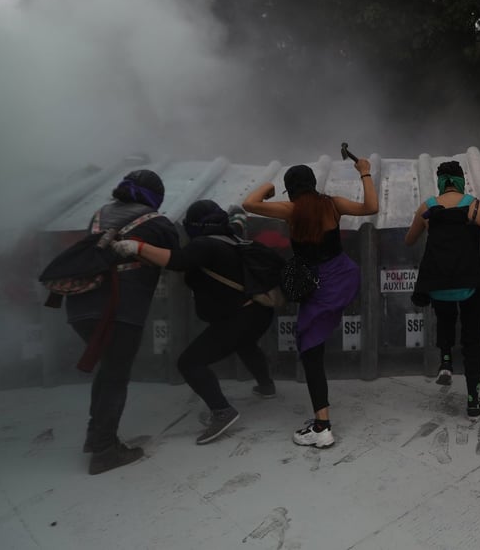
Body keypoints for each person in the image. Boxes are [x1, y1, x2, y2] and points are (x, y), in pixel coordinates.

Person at [112, 199, 277, 446]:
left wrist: (136, 247)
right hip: (259, 313)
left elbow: (177, 261)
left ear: (196, 225)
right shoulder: (232, 238)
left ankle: (222, 411)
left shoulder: (205, 244)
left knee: (190, 363)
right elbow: (237, 222)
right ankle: (267, 387)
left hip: (238, 318)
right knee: (245, 343)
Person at [242, 159, 378, 447]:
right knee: (312, 344)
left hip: (317, 286)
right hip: (343, 276)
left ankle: (322, 426)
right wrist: (365, 172)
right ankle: (321, 422)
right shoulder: (332, 204)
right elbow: (371, 207)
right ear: (314, 184)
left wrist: (268, 187)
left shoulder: (291, 210)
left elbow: (249, 204)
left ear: (291, 190)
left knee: (310, 350)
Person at [66, 169, 179, 475]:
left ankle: (95, 436)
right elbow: (178, 258)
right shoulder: (157, 222)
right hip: (119, 310)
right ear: (155, 197)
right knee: (115, 374)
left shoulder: (99, 215)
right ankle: (104, 451)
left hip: (79, 306)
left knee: (108, 369)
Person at [405, 161, 480, 418]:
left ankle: (446, 360)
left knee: (445, 317)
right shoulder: (476, 206)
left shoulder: (428, 207)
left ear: (440, 182)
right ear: (462, 180)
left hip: (438, 282)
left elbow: (409, 240)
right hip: (472, 282)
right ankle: (473, 400)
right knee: (473, 340)